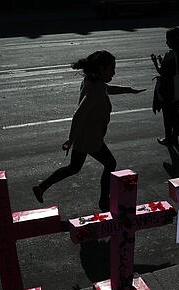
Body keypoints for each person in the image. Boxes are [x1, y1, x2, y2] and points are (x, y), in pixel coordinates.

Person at [33, 50, 145, 212]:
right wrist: (71, 140)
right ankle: (103, 201)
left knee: (74, 168)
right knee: (110, 163)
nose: (114, 72)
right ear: (101, 68)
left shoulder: (92, 82)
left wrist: (128, 90)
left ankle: (41, 187)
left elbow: (108, 89)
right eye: (111, 68)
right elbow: (78, 114)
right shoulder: (96, 89)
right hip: (90, 139)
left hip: (85, 136)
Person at [151, 27, 179, 147]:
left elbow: (162, 72)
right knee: (176, 113)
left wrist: (155, 62)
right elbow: (175, 69)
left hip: (168, 89)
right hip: (178, 88)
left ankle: (168, 138)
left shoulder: (170, 54)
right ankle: (175, 137)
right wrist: (163, 61)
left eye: (167, 40)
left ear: (173, 41)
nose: (166, 42)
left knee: (167, 115)